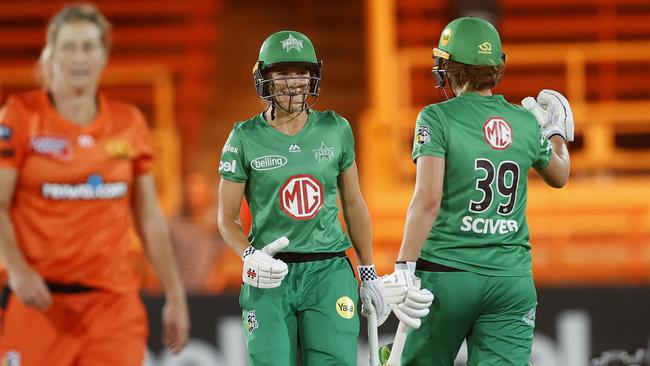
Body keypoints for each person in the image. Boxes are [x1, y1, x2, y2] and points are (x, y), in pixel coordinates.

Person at [0, 4, 189, 365]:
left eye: (88, 47)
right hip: (36, 303)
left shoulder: (128, 123)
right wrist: (19, 271)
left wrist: (175, 294)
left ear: (104, 56)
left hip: (112, 308)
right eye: (68, 47)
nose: (79, 58)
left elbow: (149, 218)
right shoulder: (21, 117)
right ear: (51, 55)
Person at [386, 16, 572, 365]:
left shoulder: (436, 118)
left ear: (450, 67)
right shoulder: (524, 121)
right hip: (511, 279)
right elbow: (560, 174)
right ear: (498, 66)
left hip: (447, 274)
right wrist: (556, 132)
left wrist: (404, 266)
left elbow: (427, 200)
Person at [217, 30, 390, 366]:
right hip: (269, 273)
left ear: (313, 76)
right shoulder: (243, 136)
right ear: (265, 78)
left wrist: (368, 272)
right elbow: (226, 217)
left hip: (328, 270)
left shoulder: (336, 128)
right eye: (283, 73)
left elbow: (354, 204)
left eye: (301, 72)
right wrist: (249, 255)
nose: (294, 82)